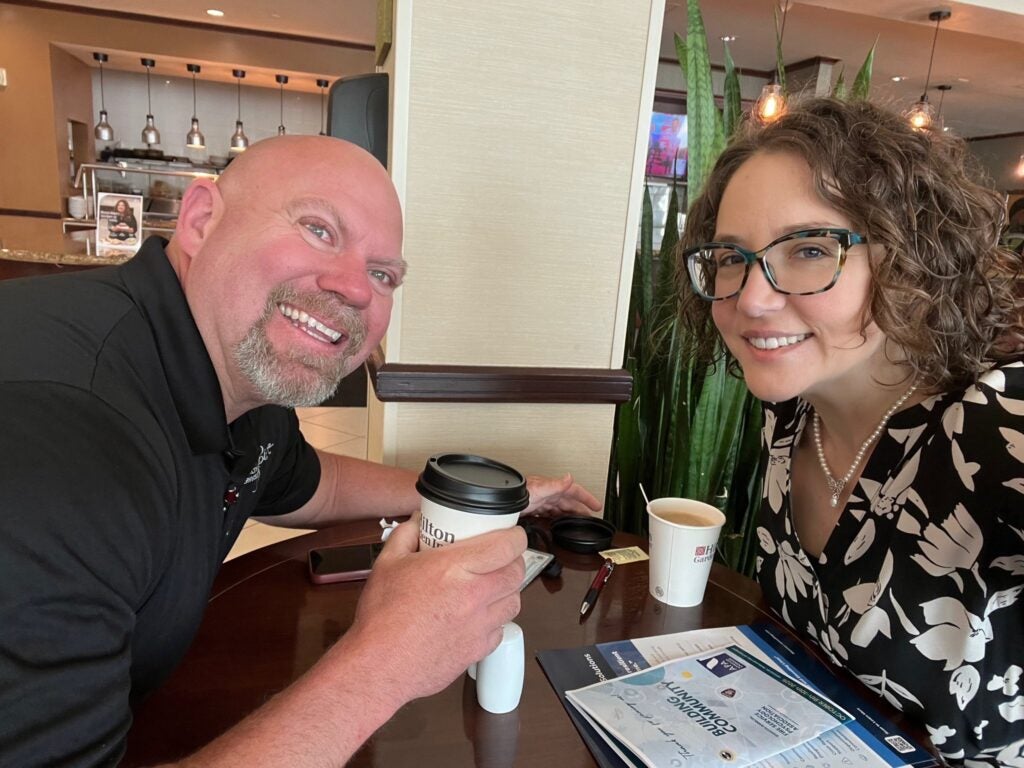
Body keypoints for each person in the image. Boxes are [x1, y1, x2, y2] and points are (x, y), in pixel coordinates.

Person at [0, 136, 601, 766]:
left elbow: (316, 484)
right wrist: (389, 656)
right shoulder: (64, 440)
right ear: (203, 220)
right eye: (318, 229)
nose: (356, 290)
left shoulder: (238, 386)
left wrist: (497, 500)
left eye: (382, 274)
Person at [676, 98, 1024, 767]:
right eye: (730, 257)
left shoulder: (992, 424)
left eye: (810, 249)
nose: (750, 298)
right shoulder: (792, 416)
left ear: (910, 260)